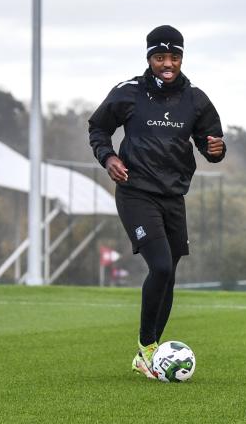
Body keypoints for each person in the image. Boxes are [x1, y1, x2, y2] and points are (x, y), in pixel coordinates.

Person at [88, 25, 225, 379]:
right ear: (149, 58)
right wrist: (109, 158)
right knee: (161, 267)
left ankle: (148, 354)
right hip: (135, 192)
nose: (167, 64)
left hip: (174, 196)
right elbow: (98, 128)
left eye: (174, 57)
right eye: (160, 57)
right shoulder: (129, 92)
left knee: (170, 275)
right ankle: (147, 349)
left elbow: (211, 147)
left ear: (181, 58)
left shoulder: (196, 99)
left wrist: (216, 150)